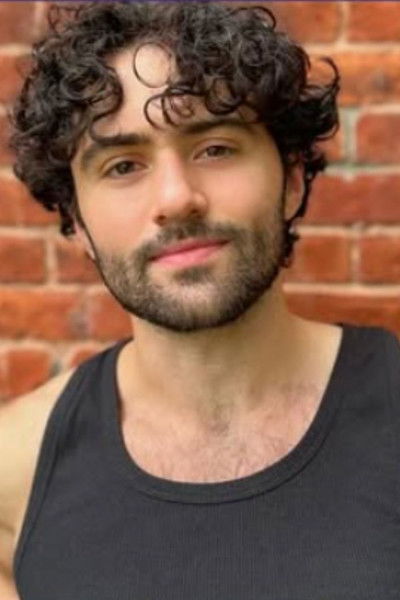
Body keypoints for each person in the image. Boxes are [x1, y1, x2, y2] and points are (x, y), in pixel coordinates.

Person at [1, 2, 400, 598]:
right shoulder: (15, 470)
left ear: (291, 179)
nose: (176, 198)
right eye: (123, 165)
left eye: (215, 148)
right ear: (77, 221)